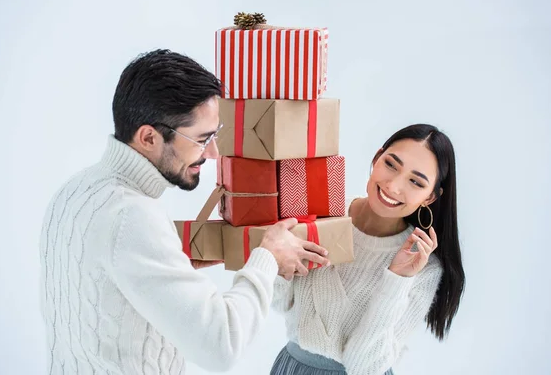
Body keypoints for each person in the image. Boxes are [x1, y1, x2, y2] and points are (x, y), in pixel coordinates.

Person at [38, 49, 331, 375]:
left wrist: (171, 260)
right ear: (148, 137)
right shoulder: (132, 217)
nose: (213, 152)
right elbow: (222, 346)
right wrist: (268, 260)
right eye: (202, 138)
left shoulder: (74, 191)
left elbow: (107, 292)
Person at [270, 124, 466, 375]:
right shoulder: (322, 213)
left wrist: (397, 278)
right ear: (376, 158)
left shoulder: (422, 265)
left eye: (416, 182)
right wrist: (277, 258)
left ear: (430, 198)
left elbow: (364, 365)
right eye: (391, 165)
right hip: (292, 367)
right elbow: (278, 302)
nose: (393, 186)